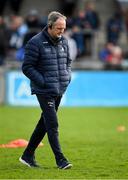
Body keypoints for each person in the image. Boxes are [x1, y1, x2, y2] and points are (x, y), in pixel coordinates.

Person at [19, 11, 73, 170]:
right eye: (59, 28)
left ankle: (27, 155)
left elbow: (68, 62)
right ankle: (61, 160)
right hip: (44, 90)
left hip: (59, 88)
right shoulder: (35, 43)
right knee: (52, 124)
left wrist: (66, 77)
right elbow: (27, 67)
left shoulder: (64, 41)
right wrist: (43, 82)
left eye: (64, 28)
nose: (62, 31)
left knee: (44, 124)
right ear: (49, 26)